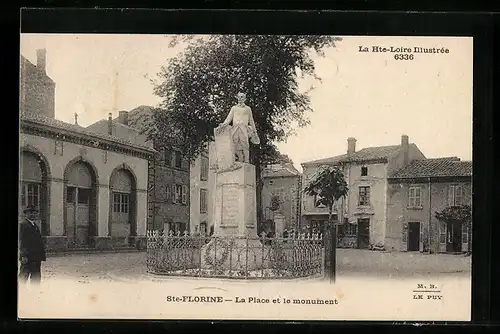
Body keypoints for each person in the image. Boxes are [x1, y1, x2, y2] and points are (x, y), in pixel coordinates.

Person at [212, 92, 260, 163]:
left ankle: (246, 160)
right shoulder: (234, 108)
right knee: (233, 145)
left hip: (243, 129)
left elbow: (251, 120)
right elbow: (229, 118)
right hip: (235, 129)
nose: (240, 99)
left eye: (242, 97)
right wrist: (223, 125)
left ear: (245, 99)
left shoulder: (248, 109)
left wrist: (255, 131)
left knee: (245, 145)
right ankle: (237, 159)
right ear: (237, 98)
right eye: (239, 97)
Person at [19, 206, 46, 284]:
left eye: (34, 213)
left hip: (36, 257)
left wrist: (41, 255)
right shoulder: (23, 225)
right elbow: (22, 241)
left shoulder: (35, 225)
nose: (33, 215)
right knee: (23, 278)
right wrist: (23, 255)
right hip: (28, 257)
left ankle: (35, 294)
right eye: (30, 213)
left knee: (36, 278)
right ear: (26, 214)